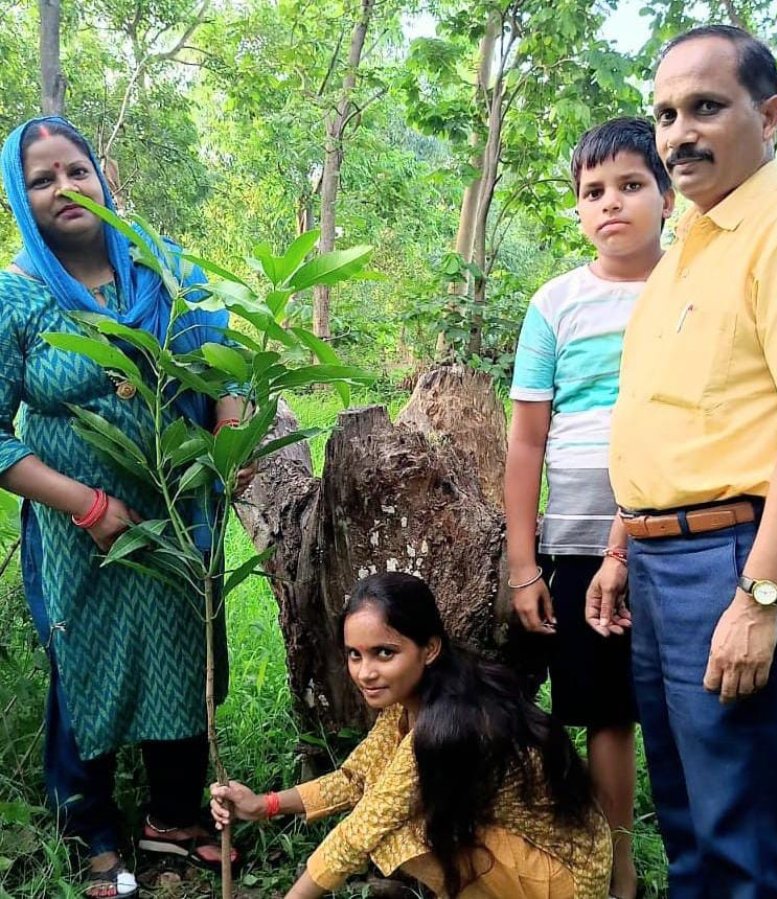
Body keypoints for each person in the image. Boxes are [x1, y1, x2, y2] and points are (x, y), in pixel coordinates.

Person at [586, 26, 777, 899]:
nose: (677, 133)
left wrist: (760, 597)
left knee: (741, 835)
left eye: (706, 106)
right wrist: (620, 547)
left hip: (732, 565)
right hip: (659, 565)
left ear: (770, 115)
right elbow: (670, 423)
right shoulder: (687, 254)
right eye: (666, 112)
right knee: (688, 822)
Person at [0, 116, 252, 899]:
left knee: (183, 655)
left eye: (75, 171)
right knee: (88, 665)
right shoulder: (18, 294)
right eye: (41, 179)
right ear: (19, 195)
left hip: (180, 520)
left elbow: (228, 370)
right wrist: (86, 505)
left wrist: (229, 446)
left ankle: (174, 817)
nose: (64, 189)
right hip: (81, 536)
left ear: (100, 176)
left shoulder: (167, 271)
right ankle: (91, 827)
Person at [210, 572, 613, 899]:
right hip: (555, 856)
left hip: (567, 878)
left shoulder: (448, 724)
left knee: (396, 830)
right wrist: (266, 804)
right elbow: (353, 780)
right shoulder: (416, 698)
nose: (365, 672)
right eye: (355, 654)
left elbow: (359, 832)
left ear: (429, 648)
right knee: (390, 811)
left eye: (384, 653)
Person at [505, 117, 673, 899]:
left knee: (679, 702)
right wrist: (521, 561)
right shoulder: (556, 303)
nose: (612, 204)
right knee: (607, 708)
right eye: (593, 191)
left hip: (679, 531)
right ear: (577, 209)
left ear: (667, 196)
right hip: (575, 539)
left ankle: (699, 841)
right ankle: (617, 862)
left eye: (632, 185)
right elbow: (527, 440)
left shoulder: (691, 287)